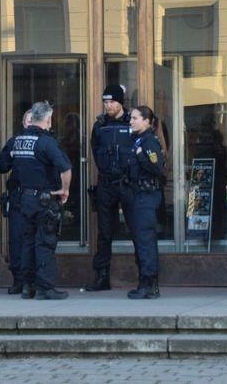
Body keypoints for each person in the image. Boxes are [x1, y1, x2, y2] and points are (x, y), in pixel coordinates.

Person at [6, 101, 72, 300]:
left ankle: (28, 286)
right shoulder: (46, 142)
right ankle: (45, 288)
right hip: (44, 200)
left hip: (25, 199)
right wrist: (65, 190)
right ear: (48, 119)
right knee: (44, 242)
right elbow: (65, 168)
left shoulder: (18, 141)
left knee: (27, 243)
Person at [83, 84, 137, 292]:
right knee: (104, 233)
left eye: (112, 101)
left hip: (128, 184)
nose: (108, 106)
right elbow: (95, 150)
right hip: (106, 184)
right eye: (106, 102)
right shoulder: (100, 125)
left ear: (121, 102)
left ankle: (145, 277)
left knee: (136, 230)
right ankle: (101, 276)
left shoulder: (132, 122)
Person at [125, 106, 167, 299]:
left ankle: (148, 284)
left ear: (146, 121)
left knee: (145, 241)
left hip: (146, 195)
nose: (131, 121)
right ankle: (147, 283)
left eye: (135, 118)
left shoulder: (148, 141)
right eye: (131, 118)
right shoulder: (139, 140)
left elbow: (157, 167)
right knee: (143, 240)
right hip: (139, 195)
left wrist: (141, 155)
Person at [0, 109, 32, 294]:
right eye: (28, 119)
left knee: (34, 240)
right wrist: (11, 154)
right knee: (17, 239)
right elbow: (1, 166)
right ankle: (19, 279)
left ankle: (31, 280)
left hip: (37, 199)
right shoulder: (14, 142)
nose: (31, 122)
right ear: (24, 123)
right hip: (18, 197)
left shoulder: (46, 142)